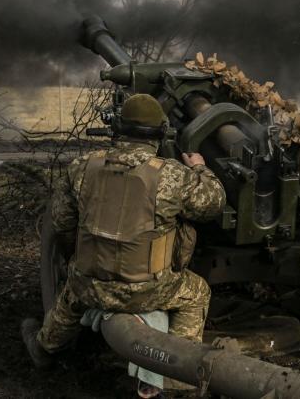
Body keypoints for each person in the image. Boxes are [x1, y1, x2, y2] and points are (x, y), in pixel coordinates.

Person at [21, 93, 226, 378]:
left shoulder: (82, 167)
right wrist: (199, 167)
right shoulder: (173, 176)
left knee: (72, 293)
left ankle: (44, 349)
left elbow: (61, 224)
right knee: (197, 293)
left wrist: (82, 261)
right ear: (159, 133)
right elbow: (213, 203)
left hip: (90, 284)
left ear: (117, 130)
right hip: (148, 291)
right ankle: (178, 374)